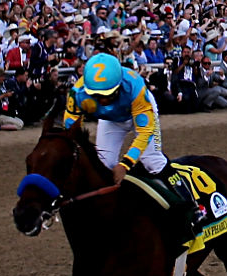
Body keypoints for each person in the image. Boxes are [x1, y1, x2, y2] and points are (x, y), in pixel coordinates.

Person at [61, 52, 168, 180]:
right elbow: (70, 132)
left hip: (138, 110)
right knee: (103, 165)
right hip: (111, 119)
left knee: (152, 162)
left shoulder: (135, 86)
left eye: (108, 95)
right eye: (96, 96)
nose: (103, 101)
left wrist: (126, 164)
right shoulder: (77, 94)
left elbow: (145, 132)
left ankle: (182, 191)